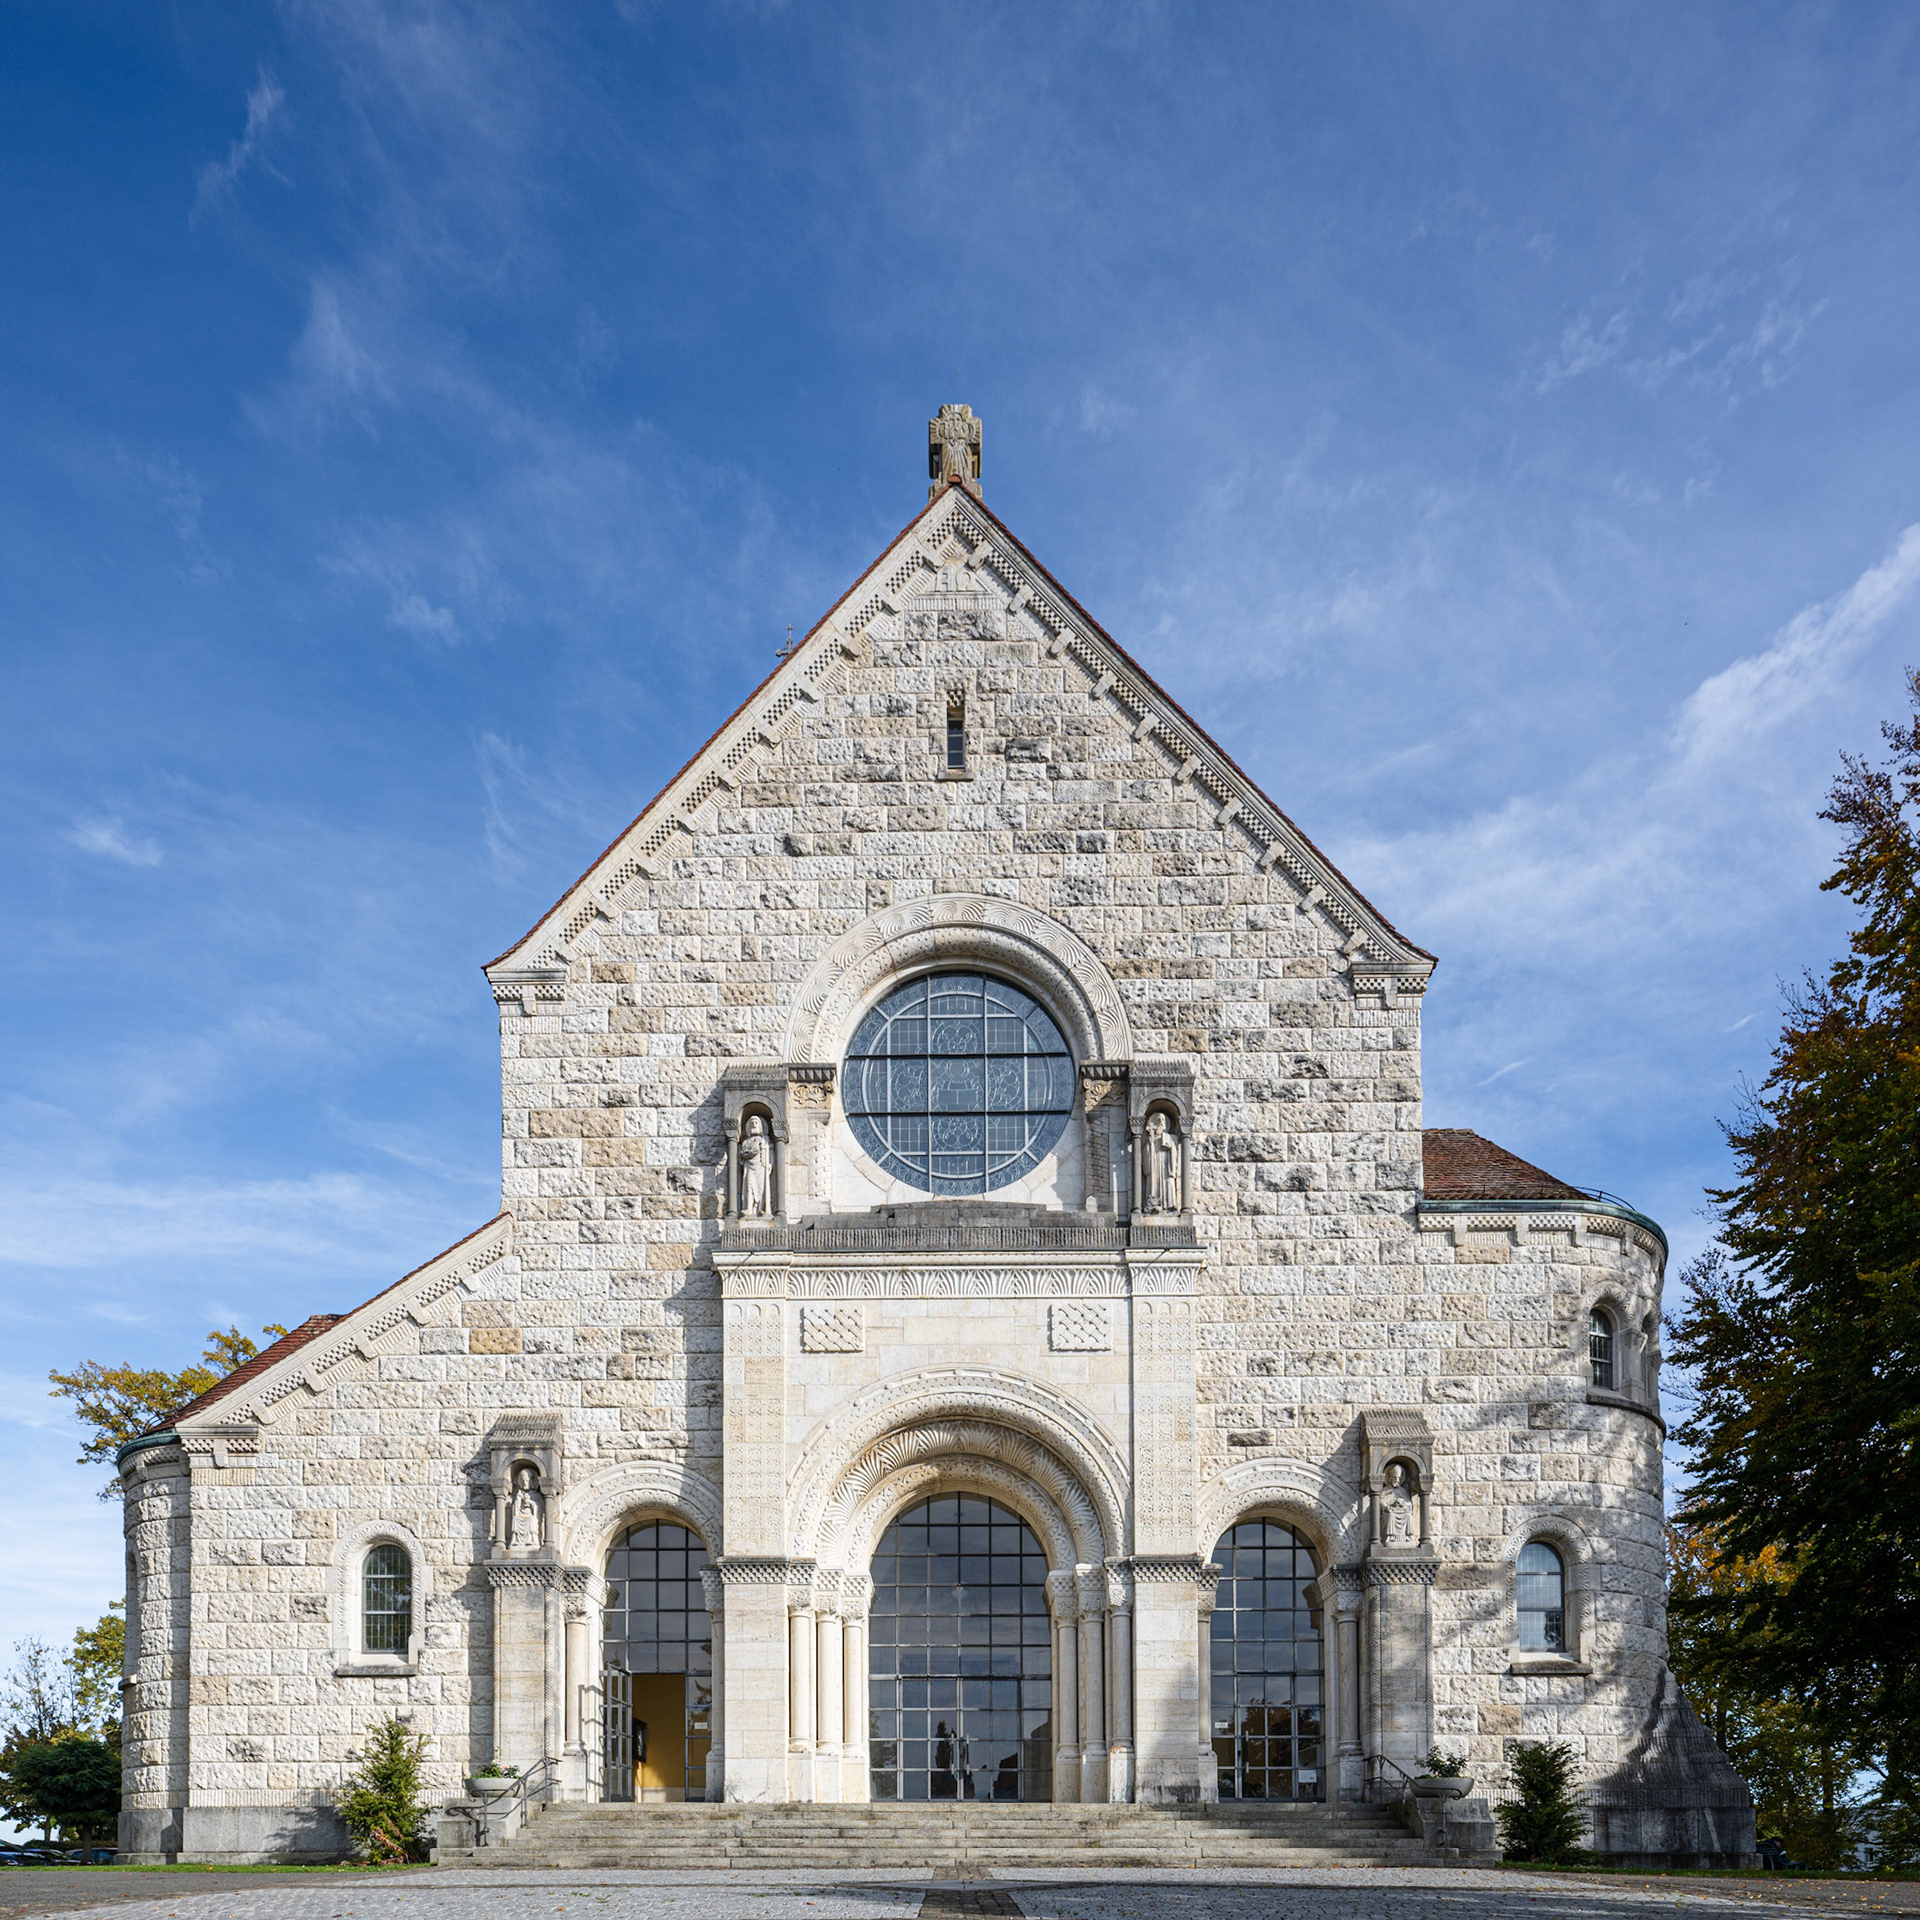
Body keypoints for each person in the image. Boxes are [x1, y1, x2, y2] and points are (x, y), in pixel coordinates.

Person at [739, 1113, 772, 1217]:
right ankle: (748, 1209)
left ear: (760, 1126)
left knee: (761, 1188)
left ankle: (762, 1208)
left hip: (761, 1168)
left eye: (756, 1122)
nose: (754, 1124)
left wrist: (769, 1162)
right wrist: (744, 1155)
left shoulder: (764, 1140)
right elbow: (741, 1157)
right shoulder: (746, 1142)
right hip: (749, 1168)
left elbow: (770, 1153)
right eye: (752, 1123)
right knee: (749, 1187)